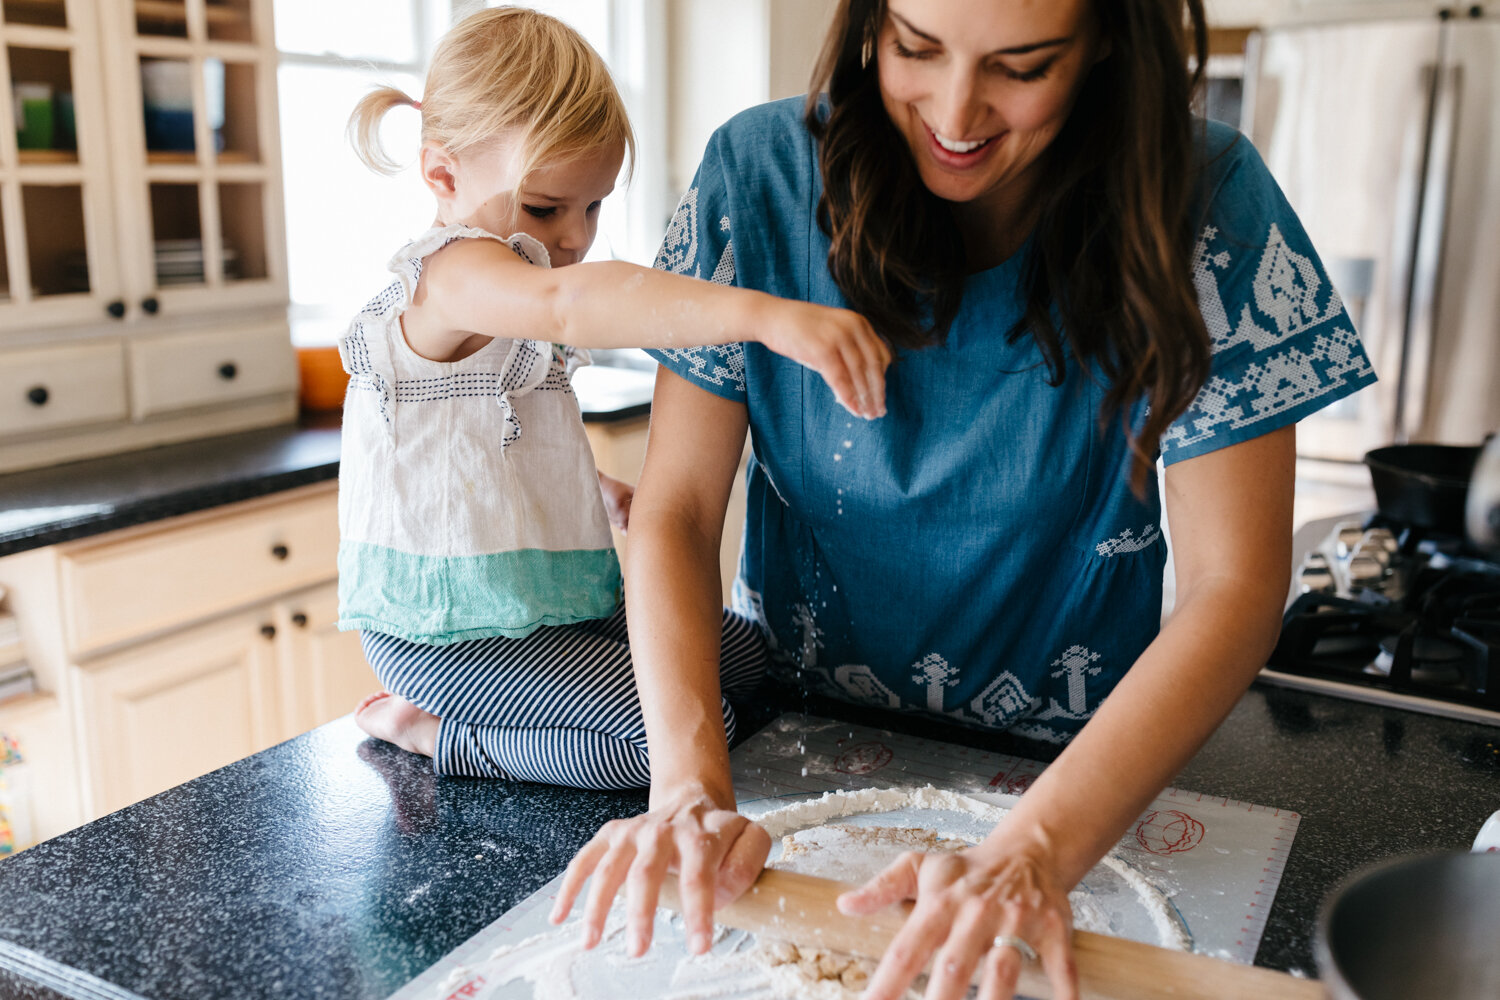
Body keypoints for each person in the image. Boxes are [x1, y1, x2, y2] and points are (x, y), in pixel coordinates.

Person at [551, 0, 1376, 996]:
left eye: (1022, 66)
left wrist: (1032, 852)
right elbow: (678, 509)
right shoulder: (756, 178)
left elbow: (1233, 584)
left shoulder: (1204, 200)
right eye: (916, 48)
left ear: (1108, 41)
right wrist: (686, 787)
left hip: (1075, 779)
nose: (955, 109)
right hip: (787, 735)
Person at [336, 7, 891, 791]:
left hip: (546, 608)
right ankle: (441, 736)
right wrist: (763, 312)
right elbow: (569, 300)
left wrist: (582, 492)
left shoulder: (509, 285)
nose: (571, 236)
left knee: (755, 660)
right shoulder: (450, 274)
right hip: (451, 637)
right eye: (544, 208)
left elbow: (468, 451)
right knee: (663, 738)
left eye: (592, 207)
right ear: (441, 175)